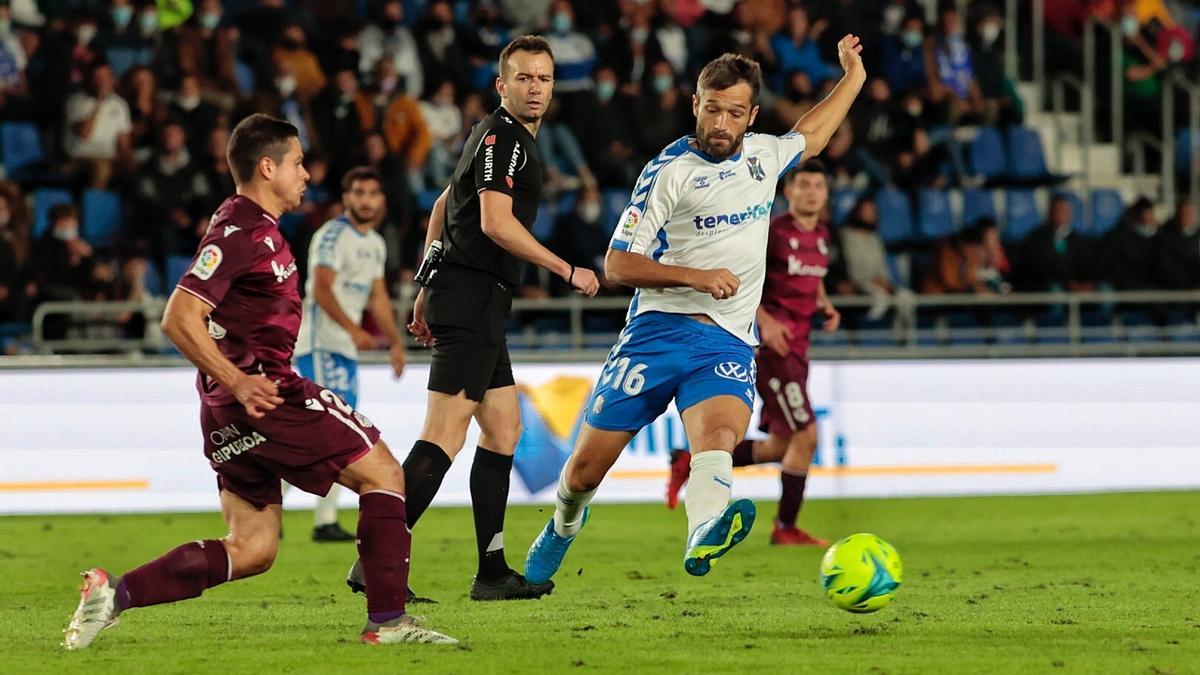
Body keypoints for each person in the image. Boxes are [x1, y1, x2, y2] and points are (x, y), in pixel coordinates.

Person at [63, 113, 455, 650]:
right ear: (267, 167)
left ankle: (114, 596)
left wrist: (231, 386)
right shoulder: (240, 231)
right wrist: (240, 381)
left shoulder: (249, 226)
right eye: (297, 163)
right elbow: (178, 317)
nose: (306, 174)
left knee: (252, 548)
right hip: (266, 394)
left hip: (228, 409)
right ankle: (387, 622)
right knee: (385, 472)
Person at [523, 38, 865, 584]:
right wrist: (697, 277)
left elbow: (815, 132)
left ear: (751, 116)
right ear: (695, 104)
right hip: (655, 332)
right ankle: (561, 527)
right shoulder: (669, 173)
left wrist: (855, 76)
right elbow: (617, 263)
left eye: (734, 112)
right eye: (712, 108)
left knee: (721, 435)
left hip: (724, 341)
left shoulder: (765, 155)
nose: (721, 122)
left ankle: (704, 528)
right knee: (586, 469)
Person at [345, 36, 600, 602]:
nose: (536, 88)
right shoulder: (505, 138)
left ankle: (491, 572)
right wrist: (566, 268)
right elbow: (492, 222)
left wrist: (422, 289)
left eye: (544, 78)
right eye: (525, 78)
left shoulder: (490, 136)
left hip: (472, 297)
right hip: (474, 297)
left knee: (504, 431)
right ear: (502, 84)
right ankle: (375, 561)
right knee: (442, 436)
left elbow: (443, 206)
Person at [665, 160, 840, 546]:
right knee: (807, 435)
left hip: (799, 347)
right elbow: (746, 277)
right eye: (804, 184)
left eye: (819, 185)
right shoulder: (773, 233)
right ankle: (785, 528)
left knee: (782, 445)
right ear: (788, 192)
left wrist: (825, 305)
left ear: (826, 194)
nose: (812, 191)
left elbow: (813, 280)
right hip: (773, 349)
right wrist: (765, 320)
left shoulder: (823, 236)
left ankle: (689, 463)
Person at [292, 167, 408, 543]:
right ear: (346, 198)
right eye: (358, 192)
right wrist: (355, 330)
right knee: (332, 431)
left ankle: (291, 508)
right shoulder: (332, 235)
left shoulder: (374, 242)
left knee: (333, 433)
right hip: (320, 343)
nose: (365, 200)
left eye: (373, 193)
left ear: (382, 201)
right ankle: (312, 516)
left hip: (343, 348)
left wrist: (395, 342)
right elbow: (321, 290)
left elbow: (377, 296)